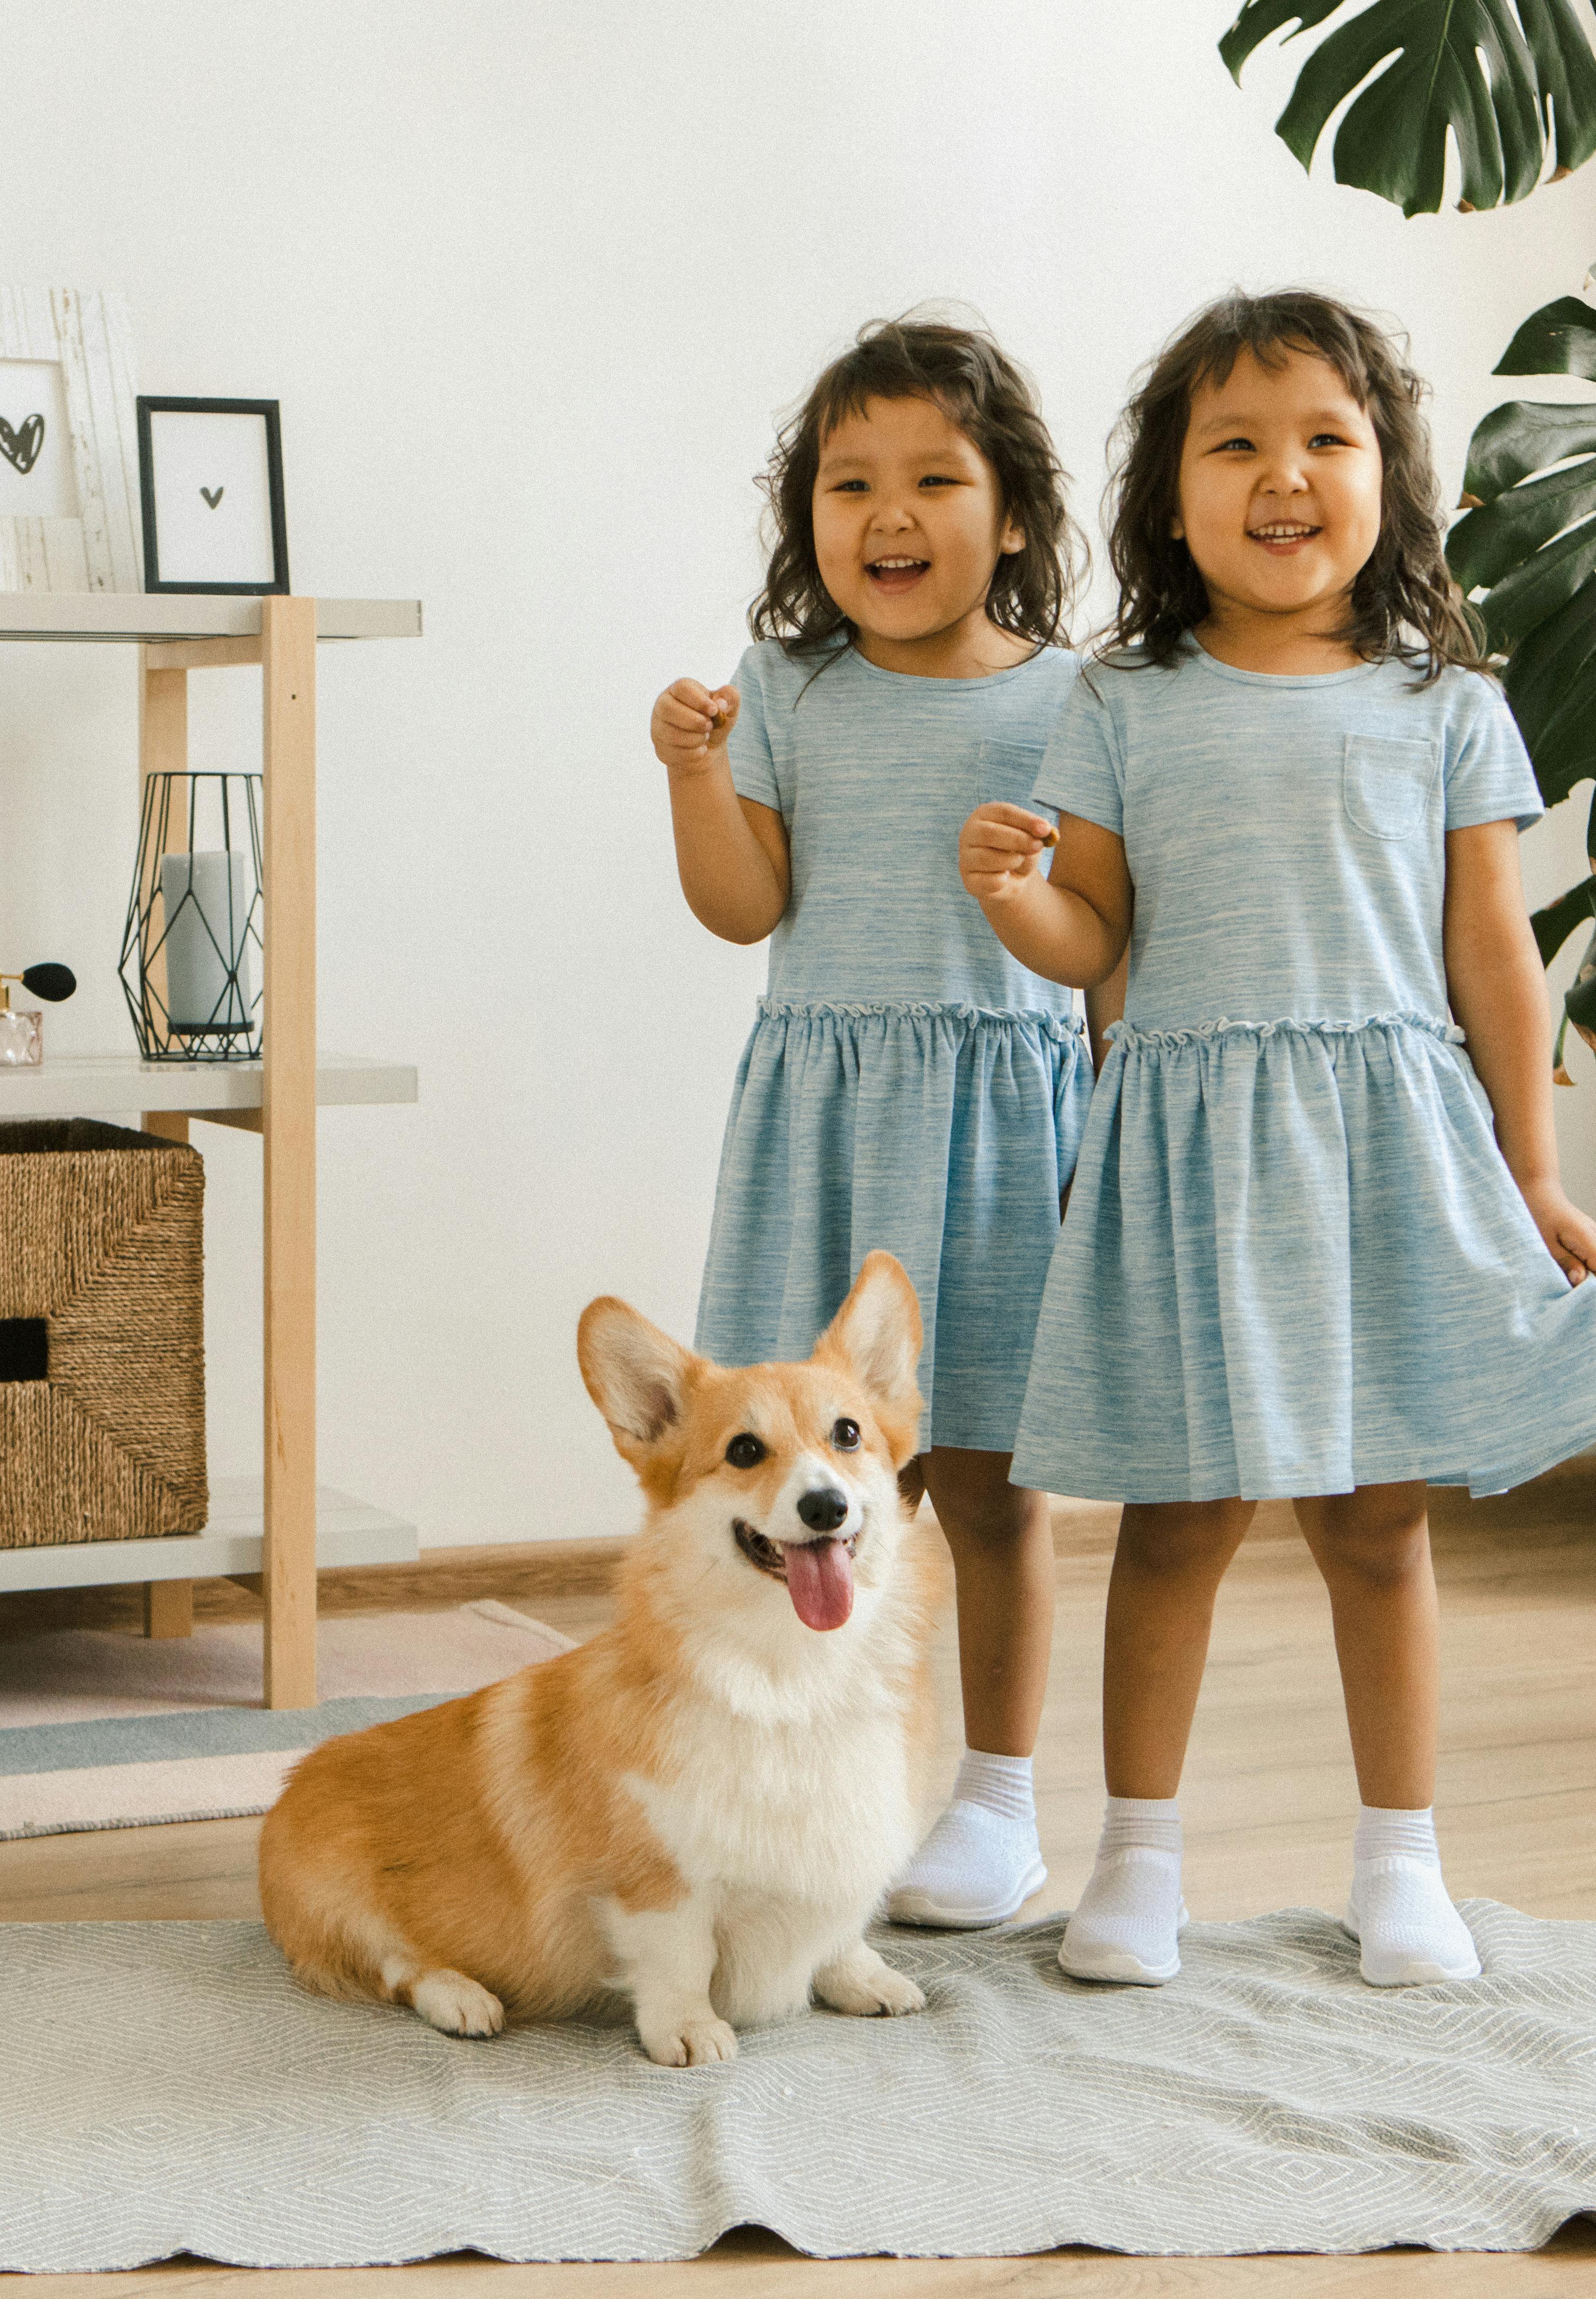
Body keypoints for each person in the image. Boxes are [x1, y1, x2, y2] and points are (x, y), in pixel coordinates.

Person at [959, 290, 1596, 1989]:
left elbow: (1495, 954)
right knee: (1178, 1521)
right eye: (1236, 444)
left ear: (1388, 480)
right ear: (1171, 498)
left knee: (1376, 1523)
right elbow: (1097, 941)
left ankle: (1402, 1861)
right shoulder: (1125, 701)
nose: (1284, 476)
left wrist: (1532, 1170)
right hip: (1188, 1152)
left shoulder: (1447, 706)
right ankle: (1139, 1858)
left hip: (1387, 1154)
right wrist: (1016, 900)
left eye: (1326, 439)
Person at [650, 314, 1088, 1928]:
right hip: (827, 1123)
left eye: (932, 480)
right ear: (807, 517)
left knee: (984, 1485)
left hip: (1000, 1124)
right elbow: (742, 903)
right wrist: (694, 777)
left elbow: (1109, 933)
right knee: (801, 1491)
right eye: (848, 484)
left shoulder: (1076, 701)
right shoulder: (784, 688)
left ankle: (999, 1800)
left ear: (1018, 514)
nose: (885, 515)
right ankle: (798, 1786)